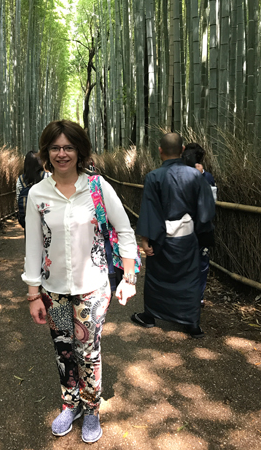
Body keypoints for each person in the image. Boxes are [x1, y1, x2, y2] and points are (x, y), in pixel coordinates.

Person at [21, 120, 138, 443]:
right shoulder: (37, 194)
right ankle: (68, 403)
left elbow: (125, 231)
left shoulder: (98, 188)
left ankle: (91, 409)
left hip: (92, 288)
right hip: (54, 291)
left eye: (68, 147)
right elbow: (33, 245)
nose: (62, 154)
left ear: (80, 151)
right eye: (55, 148)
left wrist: (129, 277)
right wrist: (33, 295)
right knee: (63, 350)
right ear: (46, 152)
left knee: (88, 351)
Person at [131, 133, 215, 338]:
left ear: (160, 151)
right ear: (183, 149)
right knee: (190, 279)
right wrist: (199, 232)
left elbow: (149, 209)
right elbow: (206, 209)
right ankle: (192, 324)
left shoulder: (153, 176)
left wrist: (144, 239)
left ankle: (150, 316)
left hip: (160, 237)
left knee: (156, 278)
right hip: (188, 237)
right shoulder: (196, 176)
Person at [182, 143, 217, 307]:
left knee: (197, 263)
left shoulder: (206, 177)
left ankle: (194, 296)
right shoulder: (204, 176)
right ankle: (195, 296)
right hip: (199, 229)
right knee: (199, 264)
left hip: (189, 229)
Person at [16, 151, 50, 229]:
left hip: (28, 220)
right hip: (45, 218)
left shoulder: (20, 179)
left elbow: (18, 198)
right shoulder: (47, 176)